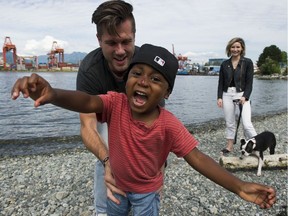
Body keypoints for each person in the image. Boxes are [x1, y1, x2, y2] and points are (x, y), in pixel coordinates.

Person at [12, 43, 276, 215]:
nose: (144, 82)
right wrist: (53, 93)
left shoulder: (169, 124)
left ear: (167, 92)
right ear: (127, 79)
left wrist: (238, 186)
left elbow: (198, 158)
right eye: (137, 73)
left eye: (156, 79)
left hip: (147, 195)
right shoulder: (114, 104)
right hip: (115, 186)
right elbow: (87, 101)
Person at [76, 1, 138, 214]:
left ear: (134, 37)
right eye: (111, 43)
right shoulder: (89, 70)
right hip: (105, 116)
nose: (120, 51)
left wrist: (158, 172)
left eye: (126, 42)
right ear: (99, 40)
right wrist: (108, 160)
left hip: (139, 112)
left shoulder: (145, 65)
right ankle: (103, 209)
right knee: (107, 153)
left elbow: (157, 122)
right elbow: (87, 126)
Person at [217, 37, 257, 154]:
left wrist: (246, 96)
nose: (235, 49)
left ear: (242, 48)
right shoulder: (224, 64)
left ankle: (258, 143)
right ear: (229, 48)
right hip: (227, 94)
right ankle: (229, 146)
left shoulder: (248, 62)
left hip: (242, 94)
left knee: (246, 123)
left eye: (238, 47)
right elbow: (221, 82)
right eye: (233, 47)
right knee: (230, 122)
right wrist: (219, 97)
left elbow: (249, 82)